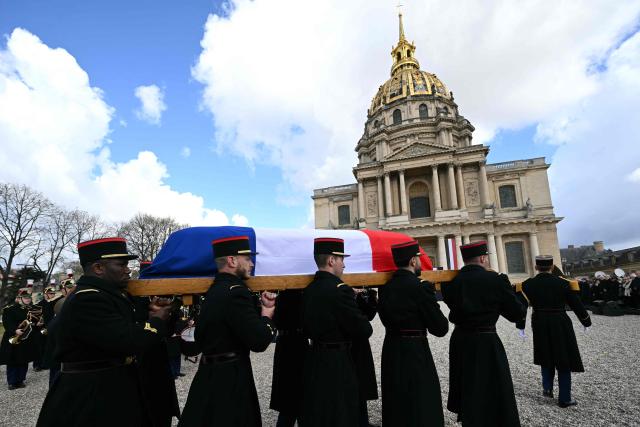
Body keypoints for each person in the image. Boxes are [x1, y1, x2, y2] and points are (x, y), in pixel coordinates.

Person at [36, 237, 172, 427]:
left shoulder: (108, 295)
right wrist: (157, 319)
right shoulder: (88, 299)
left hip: (109, 385)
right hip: (91, 393)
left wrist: (154, 312)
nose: (128, 270)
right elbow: (130, 340)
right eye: (121, 264)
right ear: (98, 268)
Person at [179, 235, 277, 427]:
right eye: (247, 258)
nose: (252, 263)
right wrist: (267, 314)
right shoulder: (236, 292)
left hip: (208, 374)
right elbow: (259, 341)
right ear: (232, 261)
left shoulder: (215, 290)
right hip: (230, 381)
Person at [441, 241, 526, 426]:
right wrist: (516, 293)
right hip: (486, 339)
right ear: (483, 258)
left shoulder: (451, 283)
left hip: (461, 339)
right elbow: (516, 314)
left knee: (467, 383)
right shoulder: (495, 280)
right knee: (492, 385)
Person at [301, 237, 373, 427]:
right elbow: (364, 330)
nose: (344, 265)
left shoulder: (308, 289)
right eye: (341, 259)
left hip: (315, 357)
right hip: (338, 361)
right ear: (332, 260)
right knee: (341, 410)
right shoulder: (340, 290)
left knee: (321, 411)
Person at [378, 240, 449, 426]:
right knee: (420, 402)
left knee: (396, 401)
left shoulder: (385, 287)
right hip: (415, 352)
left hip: (391, 349)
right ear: (412, 261)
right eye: (418, 258)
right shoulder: (420, 286)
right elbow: (440, 328)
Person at [520, 256, 592, 408]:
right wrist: (586, 320)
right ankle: (565, 398)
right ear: (552, 266)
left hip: (539, 321)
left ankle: (547, 387)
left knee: (545, 353)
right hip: (560, 321)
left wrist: (520, 325)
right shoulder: (563, 283)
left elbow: (521, 306)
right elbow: (576, 304)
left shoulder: (527, 284)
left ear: (535, 267)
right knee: (563, 356)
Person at [269, 289, 307, 426]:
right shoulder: (302, 297)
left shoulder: (282, 298)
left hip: (288, 344)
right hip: (296, 343)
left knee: (290, 401)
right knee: (296, 399)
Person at [0, 288, 40, 390]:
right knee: (13, 360)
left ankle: (21, 380)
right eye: (25, 298)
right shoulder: (9, 309)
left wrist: (37, 324)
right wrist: (15, 330)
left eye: (29, 298)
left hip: (26, 339)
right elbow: (6, 323)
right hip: (13, 338)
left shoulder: (31, 310)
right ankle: (12, 382)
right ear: (19, 298)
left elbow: (33, 324)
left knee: (24, 359)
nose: (28, 300)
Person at [352, 287, 379, 427]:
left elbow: (369, 315)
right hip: (344, 341)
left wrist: (371, 296)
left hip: (360, 341)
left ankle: (362, 421)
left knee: (361, 381)